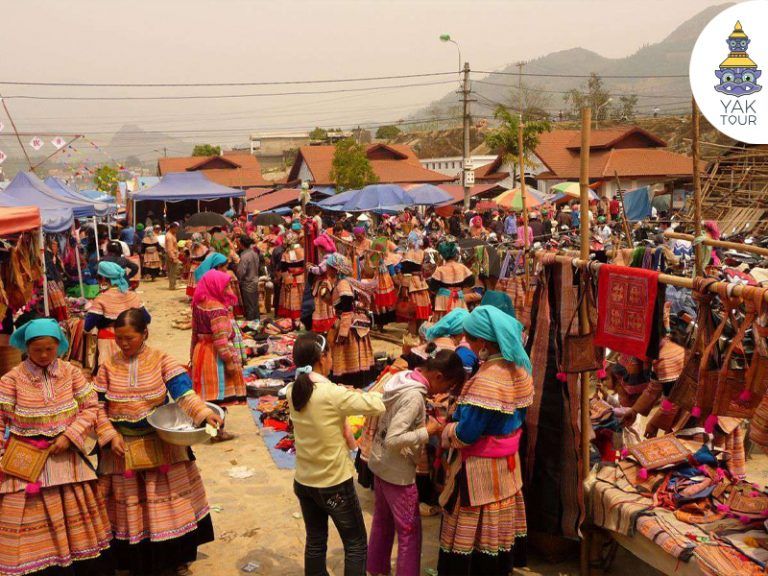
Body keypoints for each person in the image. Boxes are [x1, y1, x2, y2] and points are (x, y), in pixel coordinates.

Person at [95, 309, 223, 575]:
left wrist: (203, 414)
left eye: (129, 338)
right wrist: (109, 434)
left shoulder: (161, 360)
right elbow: (95, 406)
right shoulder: (107, 366)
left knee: (167, 504)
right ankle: (133, 562)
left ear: (145, 335)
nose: (123, 343)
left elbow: (183, 393)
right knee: (129, 506)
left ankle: (173, 559)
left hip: (160, 443)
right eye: (119, 338)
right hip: (121, 449)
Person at [0, 319, 111, 576]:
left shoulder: (71, 373)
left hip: (66, 455)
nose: (43, 355)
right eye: (37, 349)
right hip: (26, 460)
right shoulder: (11, 380)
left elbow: (91, 407)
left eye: (50, 349)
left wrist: (71, 435)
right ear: (26, 348)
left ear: (59, 347)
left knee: (76, 520)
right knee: (24, 520)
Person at [437, 306, 533, 575]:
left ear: (484, 342)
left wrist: (445, 432)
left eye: (471, 339)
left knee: (473, 525)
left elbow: (467, 433)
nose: (468, 344)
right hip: (507, 464)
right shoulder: (520, 370)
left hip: (479, 467)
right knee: (497, 520)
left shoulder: (488, 381)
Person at [287, 332, 385, 576]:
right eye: (330, 354)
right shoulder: (331, 394)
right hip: (333, 485)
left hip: (304, 482)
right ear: (323, 357)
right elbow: (378, 404)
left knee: (316, 542)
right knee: (355, 544)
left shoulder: (293, 390)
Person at [367, 350, 466, 576]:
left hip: (380, 463)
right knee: (409, 531)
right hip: (397, 471)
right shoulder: (413, 396)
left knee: (382, 521)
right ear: (439, 376)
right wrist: (427, 430)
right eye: (447, 386)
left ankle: (376, 569)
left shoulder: (401, 379)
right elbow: (394, 439)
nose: (443, 392)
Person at [190, 270, 246, 431]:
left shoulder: (199, 304)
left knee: (208, 395)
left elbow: (194, 333)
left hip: (200, 351)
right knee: (219, 395)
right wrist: (229, 361)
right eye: (225, 285)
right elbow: (221, 339)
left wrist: (192, 354)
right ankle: (218, 432)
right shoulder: (218, 309)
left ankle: (209, 430)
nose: (228, 288)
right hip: (215, 357)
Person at [85, 260, 150, 368]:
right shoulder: (133, 296)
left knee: (110, 373)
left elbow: (88, 326)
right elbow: (147, 319)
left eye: (99, 278)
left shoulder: (101, 299)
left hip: (108, 343)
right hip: (133, 342)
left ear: (104, 279)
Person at [429, 240, 474, 320]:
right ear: (455, 255)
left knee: (444, 321)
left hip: (443, 299)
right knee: (459, 320)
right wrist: (461, 287)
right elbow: (471, 282)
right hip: (458, 297)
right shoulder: (462, 267)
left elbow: (432, 287)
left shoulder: (440, 269)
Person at [236, 235, 261, 321]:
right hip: (255, 280)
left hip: (247, 282)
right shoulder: (254, 253)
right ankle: (257, 323)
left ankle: (251, 326)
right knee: (255, 304)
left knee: (250, 306)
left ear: (242, 244)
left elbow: (241, 272)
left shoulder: (244, 256)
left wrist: (239, 279)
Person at [165, 221, 182, 290]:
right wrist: (173, 257)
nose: (177, 230)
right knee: (173, 271)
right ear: (173, 228)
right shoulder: (169, 236)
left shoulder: (172, 234)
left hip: (173, 253)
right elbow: (169, 249)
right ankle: (172, 285)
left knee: (173, 270)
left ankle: (172, 284)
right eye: (176, 229)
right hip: (171, 254)